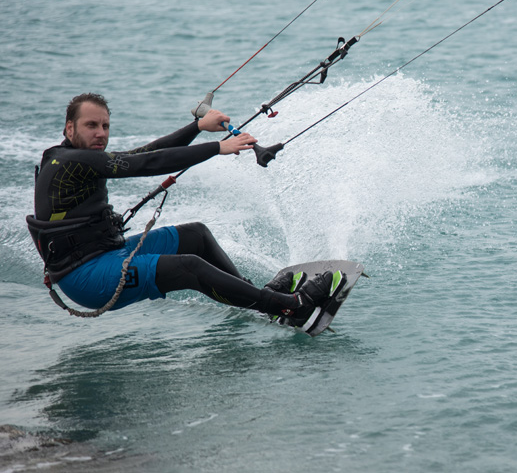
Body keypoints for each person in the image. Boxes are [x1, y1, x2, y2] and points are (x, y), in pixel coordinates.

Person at [26, 93, 344, 324]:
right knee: (189, 267)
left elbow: (143, 152)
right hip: (88, 277)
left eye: (105, 126)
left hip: (108, 255)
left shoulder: (79, 158)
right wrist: (217, 147)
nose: (101, 134)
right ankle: (292, 306)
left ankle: (256, 297)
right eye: (91, 125)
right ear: (69, 129)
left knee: (196, 236)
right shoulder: (69, 161)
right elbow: (146, 163)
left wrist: (197, 128)